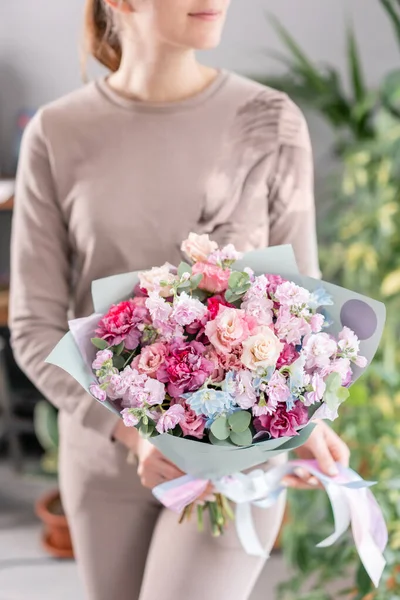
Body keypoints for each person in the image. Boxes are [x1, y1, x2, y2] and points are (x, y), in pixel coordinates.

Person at [9, 1, 350, 599]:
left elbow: (303, 301)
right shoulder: (56, 134)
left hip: (236, 455)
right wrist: (134, 434)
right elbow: (35, 327)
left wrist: (310, 412)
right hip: (104, 463)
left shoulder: (271, 120)